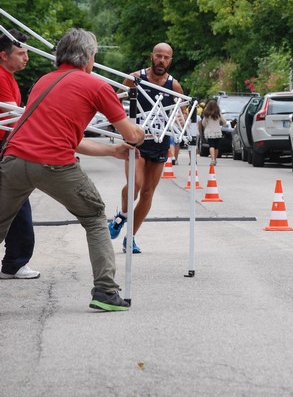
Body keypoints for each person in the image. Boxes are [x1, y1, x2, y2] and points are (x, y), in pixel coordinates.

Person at [0, 28, 145, 311]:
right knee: (93, 216)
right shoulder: (97, 86)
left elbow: (71, 139)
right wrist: (138, 134)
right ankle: (105, 292)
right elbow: (129, 134)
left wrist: (111, 151)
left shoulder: (44, 81)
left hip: (15, 159)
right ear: (88, 57)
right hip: (55, 164)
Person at [108, 42, 183, 254]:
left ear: (170, 60)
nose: (161, 60)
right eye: (158, 56)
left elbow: (181, 112)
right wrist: (122, 127)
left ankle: (130, 237)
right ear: (151, 56)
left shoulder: (174, 86)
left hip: (160, 144)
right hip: (137, 142)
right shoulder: (135, 78)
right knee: (135, 185)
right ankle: (121, 216)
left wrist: (180, 116)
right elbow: (113, 102)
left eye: (166, 57)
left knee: (148, 193)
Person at [0, 29, 40, 280]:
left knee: (16, 206)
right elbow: (14, 115)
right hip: (4, 151)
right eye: (21, 53)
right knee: (17, 205)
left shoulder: (9, 77)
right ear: (3, 55)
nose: (26, 58)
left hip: (7, 148)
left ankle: (14, 261)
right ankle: (15, 262)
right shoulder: (2, 78)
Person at [201, 99, 227, 166]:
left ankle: (212, 159)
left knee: (211, 145)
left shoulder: (207, 114)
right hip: (217, 132)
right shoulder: (218, 114)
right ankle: (215, 159)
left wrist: (207, 125)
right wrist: (220, 124)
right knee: (216, 147)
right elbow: (224, 122)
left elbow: (203, 123)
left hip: (209, 132)